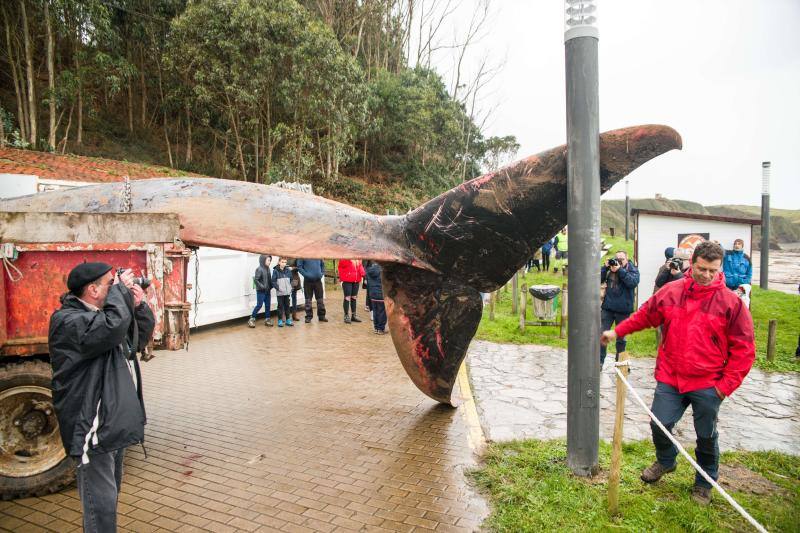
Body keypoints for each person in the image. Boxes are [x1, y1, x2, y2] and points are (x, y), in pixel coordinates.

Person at [600, 241, 755, 505]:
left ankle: (704, 483)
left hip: (709, 382)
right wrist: (618, 331)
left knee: (706, 436)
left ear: (720, 269)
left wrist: (723, 387)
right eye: (702, 268)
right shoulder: (672, 291)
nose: (707, 275)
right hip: (671, 376)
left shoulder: (732, 303)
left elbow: (744, 349)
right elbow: (646, 315)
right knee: (658, 423)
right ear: (691, 264)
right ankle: (666, 460)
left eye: (713, 271)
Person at [48, 262, 155, 532]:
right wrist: (120, 296)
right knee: (101, 504)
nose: (116, 287)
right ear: (93, 290)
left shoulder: (103, 316)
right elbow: (110, 328)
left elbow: (136, 341)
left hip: (111, 423)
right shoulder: (68, 320)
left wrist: (139, 306)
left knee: (110, 493)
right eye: (110, 284)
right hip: (91, 427)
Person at [599, 250, 640, 365]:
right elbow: (598, 280)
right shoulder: (610, 269)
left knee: (621, 338)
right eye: (617, 259)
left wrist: (620, 270)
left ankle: (620, 362)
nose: (619, 261)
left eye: (622, 259)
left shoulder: (632, 269)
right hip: (608, 308)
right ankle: (600, 362)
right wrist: (605, 268)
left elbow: (632, 282)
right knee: (602, 335)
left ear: (627, 259)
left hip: (623, 309)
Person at [296, 258, 327, 323]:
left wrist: (322, 273)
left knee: (320, 300)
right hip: (307, 281)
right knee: (308, 300)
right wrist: (306, 275)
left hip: (318, 281)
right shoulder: (302, 255)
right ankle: (308, 317)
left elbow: (322, 265)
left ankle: (322, 316)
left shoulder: (317, 254)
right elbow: (299, 267)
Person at [249, 254, 273, 327]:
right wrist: (262, 287)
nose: (269, 262)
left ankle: (267, 319)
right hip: (261, 291)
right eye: (268, 260)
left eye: (270, 260)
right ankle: (252, 319)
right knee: (259, 305)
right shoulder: (259, 269)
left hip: (267, 291)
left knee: (268, 305)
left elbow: (269, 279)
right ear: (263, 260)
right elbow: (256, 280)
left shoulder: (268, 268)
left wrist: (271, 286)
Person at [338, 259, 365, 324]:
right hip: (347, 280)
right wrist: (349, 257)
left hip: (356, 280)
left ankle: (353, 315)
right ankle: (346, 315)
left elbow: (360, 266)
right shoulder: (345, 258)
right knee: (347, 298)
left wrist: (363, 274)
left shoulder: (358, 258)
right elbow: (341, 264)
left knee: (354, 297)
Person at [365, 261, 387, 334]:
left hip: (372, 294)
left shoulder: (369, 270)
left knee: (375, 311)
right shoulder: (382, 270)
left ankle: (376, 328)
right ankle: (381, 329)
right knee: (382, 312)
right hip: (381, 294)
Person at [271, 257, 293, 327]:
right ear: (279, 262)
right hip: (280, 293)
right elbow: (273, 281)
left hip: (287, 293)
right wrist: (279, 288)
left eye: (285, 262)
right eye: (282, 262)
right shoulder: (275, 271)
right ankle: (280, 320)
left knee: (287, 306)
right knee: (280, 307)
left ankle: (288, 320)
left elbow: (291, 280)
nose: (284, 264)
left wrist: (291, 288)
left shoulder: (288, 270)